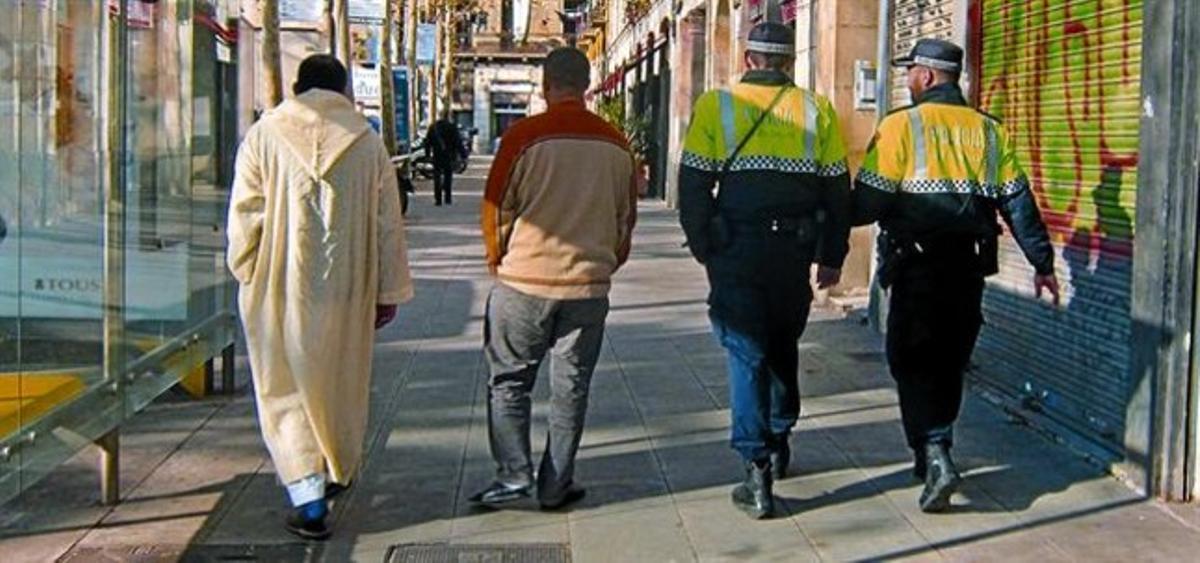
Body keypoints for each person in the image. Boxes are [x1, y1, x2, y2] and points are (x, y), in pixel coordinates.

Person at [852, 38, 1060, 513]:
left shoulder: (901, 126)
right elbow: (1019, 205)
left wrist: (826, 219)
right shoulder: (989, 131)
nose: (907, 79)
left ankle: (936, 452)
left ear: (925, 76)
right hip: (967, 269)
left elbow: (868, 204)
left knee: (909, 359)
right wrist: (1043, 264)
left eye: (910, 72)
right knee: (949, 360)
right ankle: (932, 454)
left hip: (916, 267)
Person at [226, 54, 414, 540]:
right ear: (344, 90)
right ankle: (332, 469)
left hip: (279, 286)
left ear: (296, 85)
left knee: (283, 385)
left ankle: (307, 494)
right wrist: (387, 291)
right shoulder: (368, 144)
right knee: (339, 382)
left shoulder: (264, 136)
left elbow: (245, 215)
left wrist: (246, 270)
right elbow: (386, 225)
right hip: (347, 287)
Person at [678, 22, 852, 520]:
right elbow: (838, 192)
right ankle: (779, 437)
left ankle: (756, 466)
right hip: (792, 252)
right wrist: (833, 256)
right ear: (786, 63)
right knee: (781, 342)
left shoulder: (716, 105)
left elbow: (692, 185)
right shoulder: (817, 109)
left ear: (749, 58)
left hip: (738, 249)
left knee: (744, 349)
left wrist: (704, 246)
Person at [470, 47, 637, 510]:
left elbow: (496, 208)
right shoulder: (617, 143)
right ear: (586, 85)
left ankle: (512, 474)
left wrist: (498, 257)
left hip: (524, 282)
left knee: (509, 382)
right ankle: (555, 484)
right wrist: (603, 264)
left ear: (546, 85)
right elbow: (626, 222)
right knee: (571, 388)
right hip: (587, 289)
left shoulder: (523, 137)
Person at [422, 112, 467, 205]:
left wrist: (427, 155)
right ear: (448, 117)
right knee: (448, 177)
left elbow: (427, 142)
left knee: (437, 177)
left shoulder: (433, 127)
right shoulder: (451, 127)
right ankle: (448, 198)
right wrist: (463, 155)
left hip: (437, 156)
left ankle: (438, 199)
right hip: (449, 156)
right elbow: (458, 142)